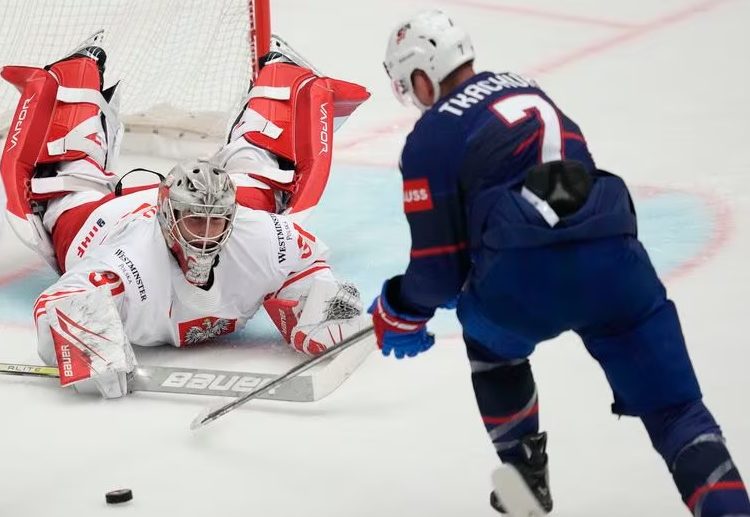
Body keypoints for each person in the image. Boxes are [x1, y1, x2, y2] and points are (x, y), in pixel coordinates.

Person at [369, 9, 750, 516]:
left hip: (523, 282)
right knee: (678, 412)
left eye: (408, 86)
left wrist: (399, 309)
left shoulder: (431, 134)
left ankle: (524, 487)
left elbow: (440, 274)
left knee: (492, 346)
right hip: (616, 260)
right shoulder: (527, 88)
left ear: (422, 74)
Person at [0, 38, 371, 399]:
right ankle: (73, 76)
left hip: (189, 205)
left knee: (258, 181)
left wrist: (324, 300)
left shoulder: (254, 232)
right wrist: (84, 342)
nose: (207, 235)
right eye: (197, 223)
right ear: (168, 217)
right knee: (65, 190)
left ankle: (282, 74)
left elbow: (305, 262)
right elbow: (61, 300)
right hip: (104, 222)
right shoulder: (129, 263)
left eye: (217, 222)